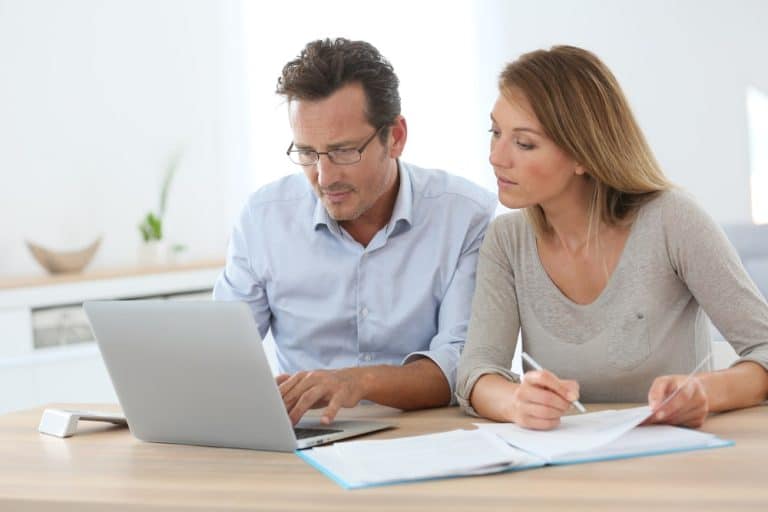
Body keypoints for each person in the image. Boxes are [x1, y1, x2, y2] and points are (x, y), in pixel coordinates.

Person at [456, 45, 768, 430]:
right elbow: (477, 371)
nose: (496, 157)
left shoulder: (674, 220)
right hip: (565, 466)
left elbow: (764, 350)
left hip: (676, 462)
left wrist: (704, 391)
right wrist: (515, 402)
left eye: (524, 143)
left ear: (582, 155)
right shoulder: (507, 240)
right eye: (495, 132)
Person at [214, 38, 496, 426]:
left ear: (395, 137)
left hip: (424, 435)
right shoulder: (263, 219)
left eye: (344, 151)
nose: (324, 177)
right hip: (306, 439)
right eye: (308, 153)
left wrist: (357, 382)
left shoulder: (466, 216)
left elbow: (461, 366)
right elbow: (220, 353)